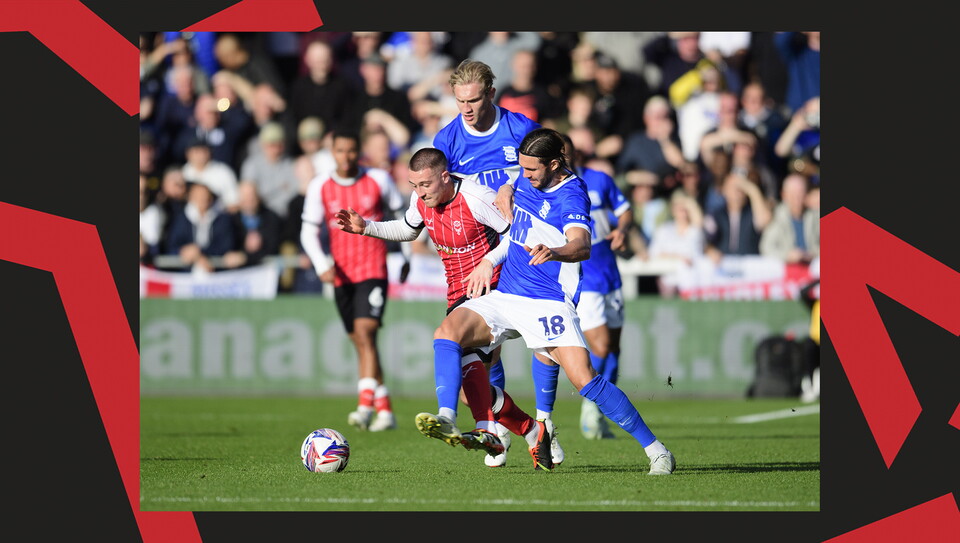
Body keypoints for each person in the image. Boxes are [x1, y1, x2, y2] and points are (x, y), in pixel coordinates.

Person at [435, 128, 676, 474]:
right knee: (447, 332)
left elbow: (582, 246)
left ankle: (657, 451)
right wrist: (490, 259)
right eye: (521, 168)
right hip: (506, 294)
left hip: (548, 301)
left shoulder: (571, 194)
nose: (524, 175)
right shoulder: (525, 177)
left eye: (531, 169)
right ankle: (449, 418)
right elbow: (517, 232)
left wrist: (556, 251)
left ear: (552, 164)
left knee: (585, 380)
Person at [335, 147, 561, 465]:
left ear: (444, 176)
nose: (419, 192)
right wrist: (367, 228)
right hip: (458, 295)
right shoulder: (422, 200)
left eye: (425, 184)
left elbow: (517, 235)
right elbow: (407, 229)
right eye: (414, 185)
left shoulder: (476, 197)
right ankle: (531, 431)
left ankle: (449, 417)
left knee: (446, 336)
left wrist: (488, 262)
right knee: (472, 390)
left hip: (494, 291)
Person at [432, 59, 565, 468]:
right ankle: (503, 429)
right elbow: (439, 192)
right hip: (479, 258)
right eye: (459, 102)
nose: (467, 109)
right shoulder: (448, 139)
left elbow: (550, 174)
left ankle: (542, 423)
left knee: (546, 346)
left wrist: (511, 184)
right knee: (480, 352)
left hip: (524, 249)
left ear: (491, 93)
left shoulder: (520, 128)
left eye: (473, 100)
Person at [299, 131, 403, 432]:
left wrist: (406, 257)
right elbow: (308, 230)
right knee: (359, 340)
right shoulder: (320, 185)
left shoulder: (378, 180)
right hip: (341, 274)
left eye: (351, 150)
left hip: (373, 269)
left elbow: (401, 216)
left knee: (365, 332)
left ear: (359, 151)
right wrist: (321, 264)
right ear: (332, 152)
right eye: (340, 150)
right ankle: (385, 410)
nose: (345, 156)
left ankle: (364, 407)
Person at [558, 135, 634, 440]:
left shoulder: (599, 180)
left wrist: (623, 229)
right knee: (600, 345)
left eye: (566, 154)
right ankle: (591, 406)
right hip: (583, 278)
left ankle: (601, 412)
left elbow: (625, 209)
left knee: (613, 348)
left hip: (611, 275)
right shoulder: (554, 191)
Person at [163, 181, 236, 272]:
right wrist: (183, 252)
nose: (202, 200)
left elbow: (225, 246)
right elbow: (171, 246)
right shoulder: (181, 219)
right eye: (198, 197)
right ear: (190, 198)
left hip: (215, 271)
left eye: (205, 196)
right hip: (186, 272)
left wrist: (200, 254)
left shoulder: (222, 219)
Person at [760, 173, 819, 264]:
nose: (797, 198)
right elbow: (766, 248)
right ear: (784, 195)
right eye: (793, 194)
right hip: (787, 269)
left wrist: (811, 254)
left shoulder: (814, 215)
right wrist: (787, 255)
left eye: (800, 193)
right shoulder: (777, 216)